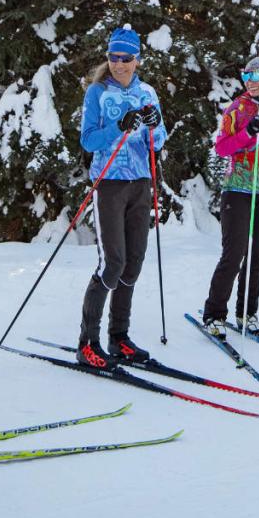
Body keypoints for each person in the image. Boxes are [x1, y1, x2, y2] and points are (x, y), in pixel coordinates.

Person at [76, 25, 169, 369]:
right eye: (114, 57)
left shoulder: (147, 92)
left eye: (126, 58)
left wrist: (154, 123)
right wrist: (119, 127)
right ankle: (88, 343)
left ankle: (119, 338)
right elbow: (88, 141)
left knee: (133, 261)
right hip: (110, 183)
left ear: (137, 60)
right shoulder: (97, 93)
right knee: (111, 262)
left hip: (140, 183)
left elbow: (158, 141)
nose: (119, 64)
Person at [201, 56, 259, 338]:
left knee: (257, 255)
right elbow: (222, 148)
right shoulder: (236, 109)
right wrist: (250, 130)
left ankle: (247, 311)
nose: (251, 85)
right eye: (246, 79)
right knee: (234, 253)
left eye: (256, 79)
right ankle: (215, 313)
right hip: (238, 188)